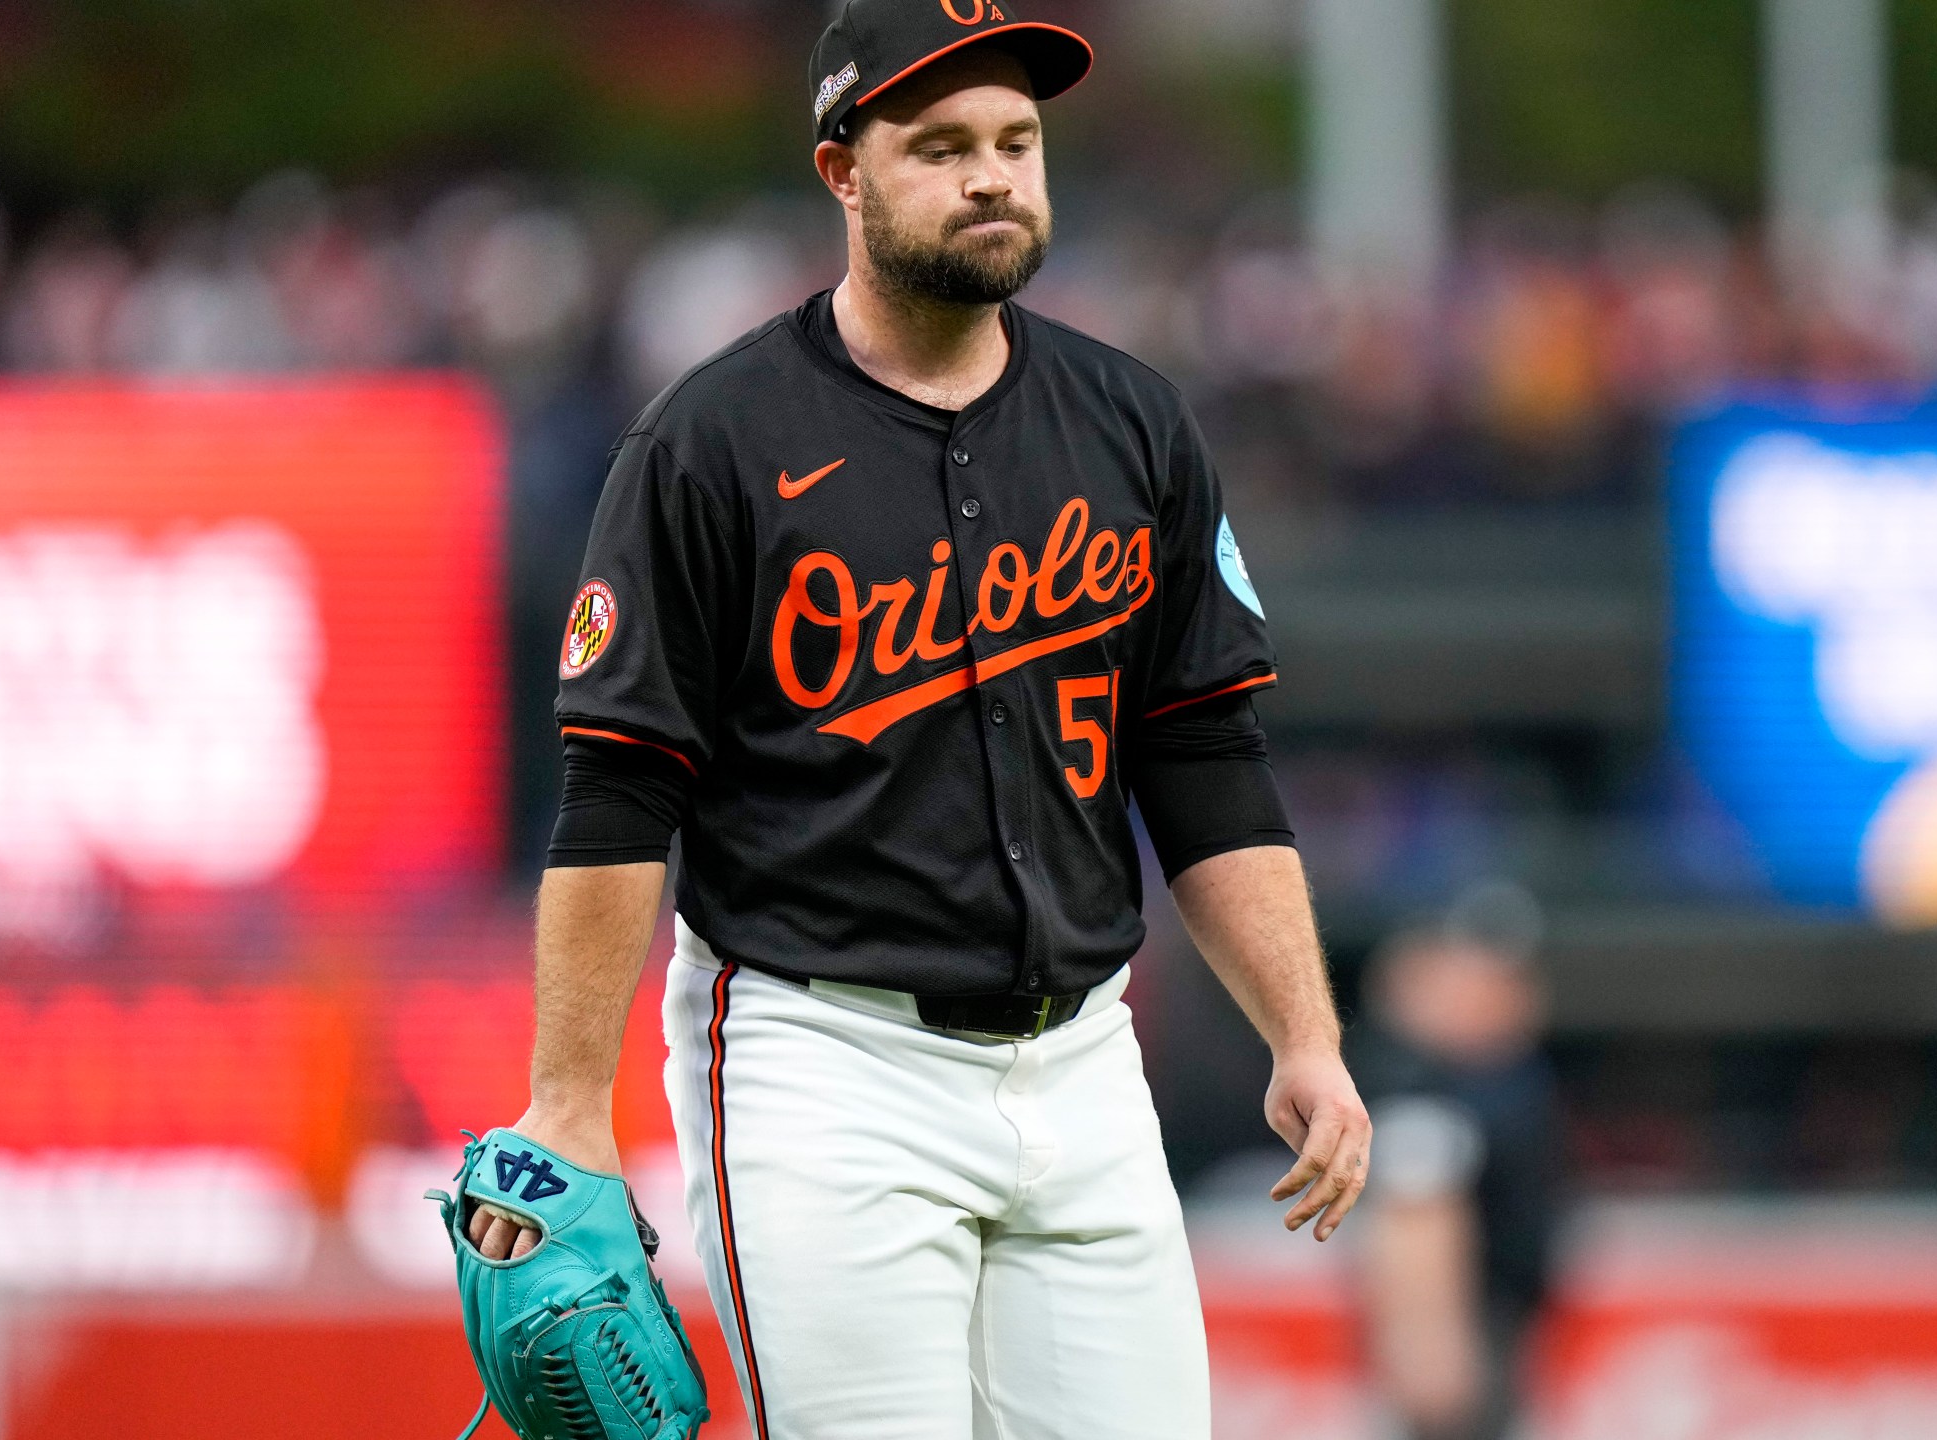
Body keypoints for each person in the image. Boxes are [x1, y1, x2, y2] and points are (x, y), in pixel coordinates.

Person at [460, 2, 1373, 1436]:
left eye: (1016, 140)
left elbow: (1204, 757)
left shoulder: (1133, 425)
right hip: (826, 1066)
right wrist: (566, 1101)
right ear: (844, 170)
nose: (992, 175)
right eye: (940, 145)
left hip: (1081, 1063)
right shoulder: (713, 440)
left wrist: (1302, 1035)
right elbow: (621, 786)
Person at [1352, 920, 1563, 1440]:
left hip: (1500, 1322)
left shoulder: (1496, 1075)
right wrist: (1428, 1343)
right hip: (1468, 1330)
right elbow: (1415, 1219)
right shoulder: (1425, 1088)